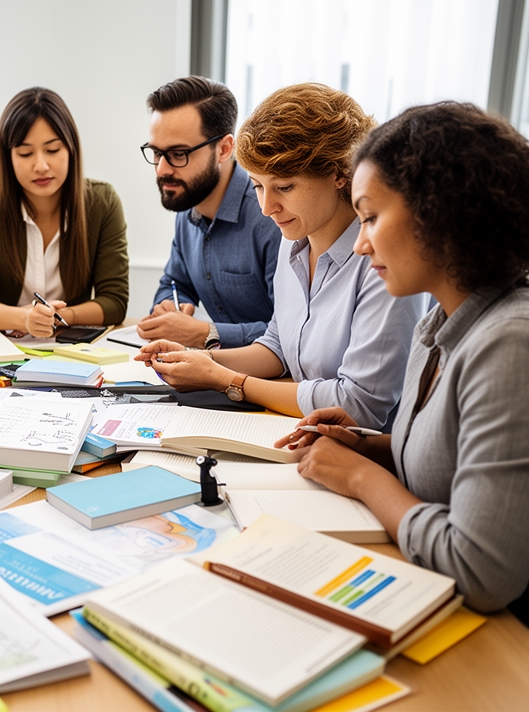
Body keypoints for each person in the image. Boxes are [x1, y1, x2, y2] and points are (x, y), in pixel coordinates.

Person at [277, 102, 529, 621]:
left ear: (440, 210)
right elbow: (456, 464)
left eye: (369, 216)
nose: (362, 243)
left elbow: (481, 572)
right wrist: (373, 448)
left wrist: (363, 479)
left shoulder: (510, 345)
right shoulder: (437, 322)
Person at [138, 83, 427, 429]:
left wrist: (229, 381)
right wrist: (198, 361)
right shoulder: (294, 240)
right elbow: (277, 347)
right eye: (258, 186)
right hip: (302, 434)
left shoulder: (381, 263)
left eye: (284, 187)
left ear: (340, 173)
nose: (266, 207)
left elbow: (359, 405)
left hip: (363, 452)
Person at [0, 87, 129, 336]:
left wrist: (55, 317)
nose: (41, 166)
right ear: (8, 157)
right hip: (2, 349)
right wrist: (23, 318)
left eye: (53, 150)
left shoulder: (102, 203)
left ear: (71, 149)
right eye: (25, 153)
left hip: (70, 349)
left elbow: (114, 301)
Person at [136, 77, 280, 348]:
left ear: (224, 149)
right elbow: (175, 284)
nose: (162, 169)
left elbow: (290, 331)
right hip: (216, 371)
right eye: (156, 152)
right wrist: (170, 309)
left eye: (179, 154)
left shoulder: (270, 216)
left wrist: (206, 333)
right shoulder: (188, 203)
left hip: (275, 383)